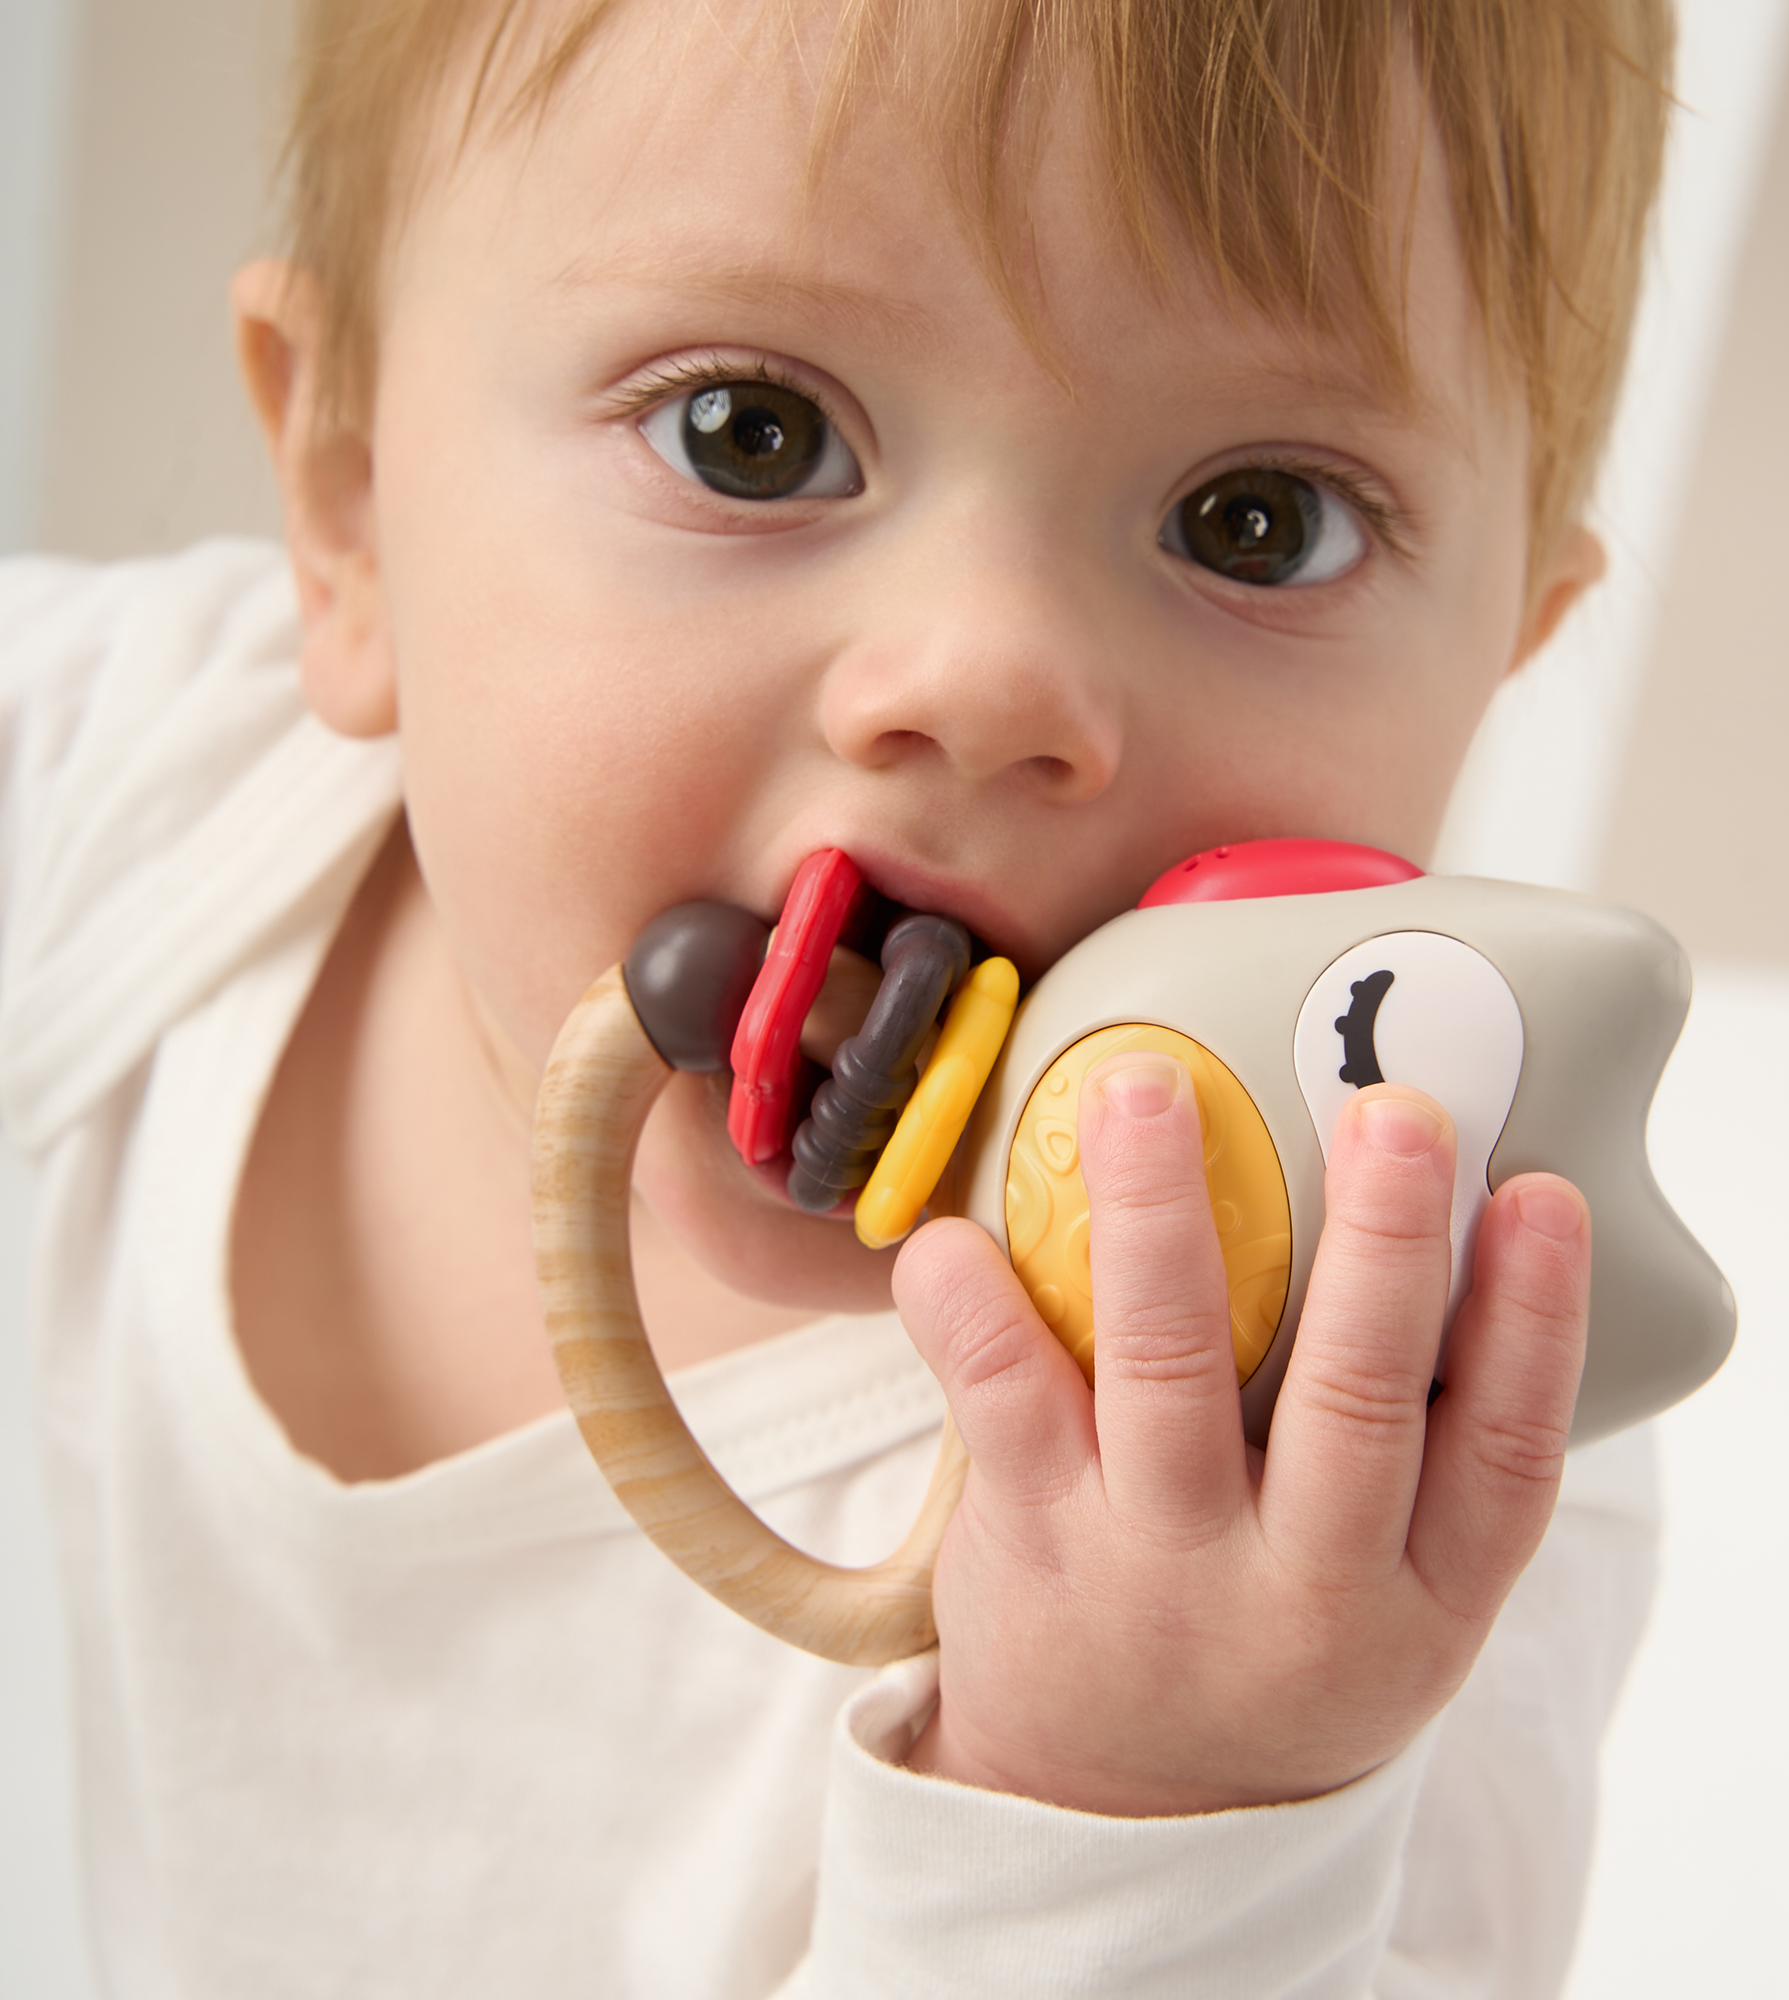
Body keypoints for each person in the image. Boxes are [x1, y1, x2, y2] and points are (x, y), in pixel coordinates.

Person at [0, 0, 1671, 1991]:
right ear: (352, 502)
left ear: (1497, 663)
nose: (981, 675)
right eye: (752, 431)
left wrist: (1145, 1813)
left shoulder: (1378, 1437)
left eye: (1256, 520)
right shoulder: (109, 792)